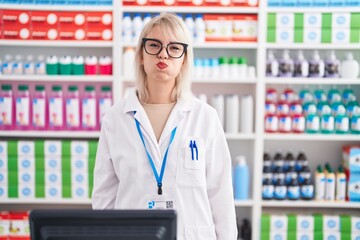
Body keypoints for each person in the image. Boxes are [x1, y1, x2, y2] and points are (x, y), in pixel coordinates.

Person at [92, 12, 237, 240]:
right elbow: (104, 198)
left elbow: (221, 196)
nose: (163, 54)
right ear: (141, 54)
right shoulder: (115, 119)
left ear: (184, 59)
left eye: (174, 48)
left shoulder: (205, 117)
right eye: (154, 45)